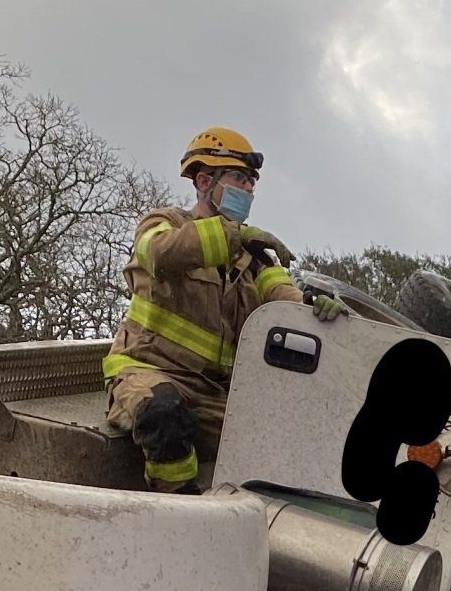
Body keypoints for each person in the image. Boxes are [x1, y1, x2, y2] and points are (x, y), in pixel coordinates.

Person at [102, 126, 303, 490]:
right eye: (239, 179)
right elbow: (159, 254)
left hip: (212, 394)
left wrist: (321, 313)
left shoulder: (253, 258)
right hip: (149, 374)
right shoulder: (164, 224)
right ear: (205, 180)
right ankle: (178, 511)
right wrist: (233, 235)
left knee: (278, 438)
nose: (249, 190)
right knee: (164, 415)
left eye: (252, 183)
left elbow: (289, 309)